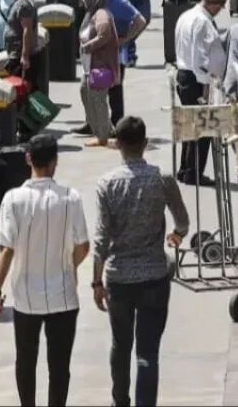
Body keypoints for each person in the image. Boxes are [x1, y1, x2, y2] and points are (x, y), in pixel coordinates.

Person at [92, 116, 191, 407]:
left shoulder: (107, 184)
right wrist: (176, 235)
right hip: (154, 277)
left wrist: (97, 281)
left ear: (117, 145)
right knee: (148, 352)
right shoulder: (163, 180)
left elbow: (100, 238)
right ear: (145, 144)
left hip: (119, 279)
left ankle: (119, 401)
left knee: (120, 346)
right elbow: (183, 221)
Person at [0, 134, 89, 407]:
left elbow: (6, 249)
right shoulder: (71, 197)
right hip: (64, 296)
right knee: (59, 366)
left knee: (26, 361)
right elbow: (83, 246)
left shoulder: (13, 199)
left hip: (25, 298)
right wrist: (69, 265)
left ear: (28, 159)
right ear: (55, 162)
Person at [74, 0, 148, 134]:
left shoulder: (116, 1)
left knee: (113, 91)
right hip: (95, 54)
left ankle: (116, 126)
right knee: (89, 88)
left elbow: (140, 21)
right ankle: (93, 123)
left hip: (113, 53)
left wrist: (124, 39)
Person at [173, 0, 228, 187]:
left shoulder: (186, 15)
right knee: (202, 128)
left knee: (190, 126)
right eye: (219, 7)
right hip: (196, 79)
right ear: (213, 4)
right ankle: (193, 172)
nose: (219, 11)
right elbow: (199, 58)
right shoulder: (202, 22)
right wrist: (205, 87)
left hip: (185, 75)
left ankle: (185, 169)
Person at [78, 0, 120, 148]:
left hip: (99, 67)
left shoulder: (101, 15)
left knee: (98, 100)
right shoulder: (92, 13)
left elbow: (104, 35)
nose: (82, 0)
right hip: (89, 66)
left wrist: (88, 46)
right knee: (86, 93)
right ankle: (104, 128)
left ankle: (102, 136)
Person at [3, 0, 45, 93]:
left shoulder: (24, 3)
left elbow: (27, 29)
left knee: (24, 93)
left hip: (21, 58)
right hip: (16, 55)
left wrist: (25, 56)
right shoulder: (20, 2)